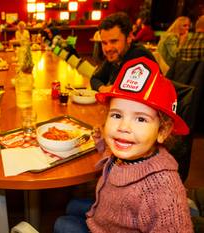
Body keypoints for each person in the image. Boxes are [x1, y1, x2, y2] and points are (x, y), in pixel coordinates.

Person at [54, 57, 193, 233]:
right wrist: (102, 142)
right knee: (72, 206)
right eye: (117, 115)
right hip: (106, 212)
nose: (123, 127)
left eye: (141, 119)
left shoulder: (163, 192)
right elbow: (110, 157)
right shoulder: (129, 150)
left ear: (162, 131)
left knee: (62, 224)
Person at [90, 12, 155, 93]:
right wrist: (103, 88)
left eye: (114, 41)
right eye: (104, 43)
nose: (108, 48)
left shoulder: (139, 57)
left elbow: (130, 97)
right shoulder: (115, 56)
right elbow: (95, 79)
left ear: (129, 38)